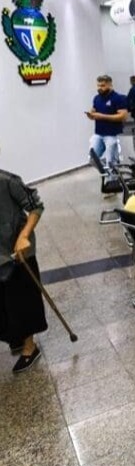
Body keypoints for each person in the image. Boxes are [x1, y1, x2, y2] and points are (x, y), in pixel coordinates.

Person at [0, 160, 47, 373]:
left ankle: (30, 347)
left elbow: (36, 206)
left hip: (17, 252)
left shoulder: (8, 181)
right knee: (3, 302)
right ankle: (15, 336)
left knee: (21, 300)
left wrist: (24, 236)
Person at [87, 74, 129, 169]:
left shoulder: (119, 98)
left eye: (103, 85)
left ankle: (112, 176)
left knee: (111, 163)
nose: (99, 88)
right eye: (98, 85)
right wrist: (91, 115)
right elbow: (94, 111)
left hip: (112, 135)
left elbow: (123, 116)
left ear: (110, 85)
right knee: (92, 159)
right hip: (98, 134)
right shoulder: (96, 98)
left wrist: (102, 116)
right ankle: (106, 172)